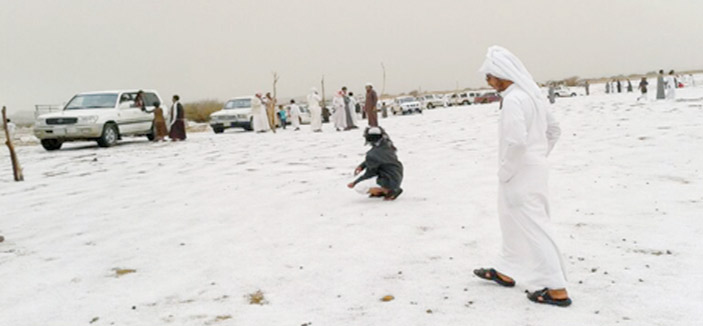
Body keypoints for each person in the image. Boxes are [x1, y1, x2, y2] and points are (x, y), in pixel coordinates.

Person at [475, 46, 570, 307]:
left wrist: (507, 170)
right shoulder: (533, 96)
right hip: (532, 170)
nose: (488, 81)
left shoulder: (516, 100)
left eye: (490, 76)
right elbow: (554, 130)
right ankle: (506, 269)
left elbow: (516, 142)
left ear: (502, 74)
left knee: (534, 226)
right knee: (512, 223)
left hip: (518, 173)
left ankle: (556, 288)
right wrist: (538, 156)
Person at [347, 126, 403, 200]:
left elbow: (370, 173)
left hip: (388, 180)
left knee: (359, 187)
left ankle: (387, 191)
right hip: (397, 175)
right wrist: (362, 166)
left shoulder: (372, 154)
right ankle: (385, 190)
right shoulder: (387, 145)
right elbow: (378, 159)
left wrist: (355, 182)